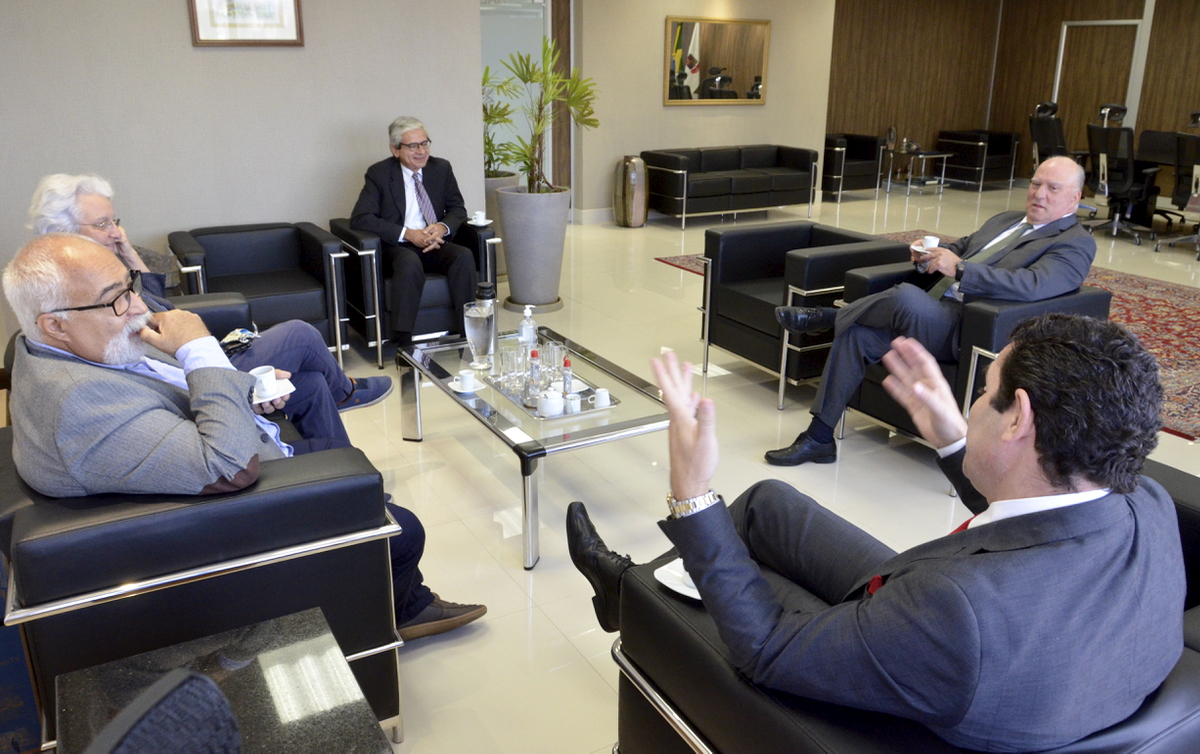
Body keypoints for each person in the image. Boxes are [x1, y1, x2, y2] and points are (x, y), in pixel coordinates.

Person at [567, 314, 1183, 751]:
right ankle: (659, 577)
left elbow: (769, 651)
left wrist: (692, 492)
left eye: (985, 392)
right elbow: (1037, 521)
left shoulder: (954, 617)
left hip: (937, 651)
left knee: (721, 534)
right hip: (983, 630)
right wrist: (955, 440)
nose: (972, 403)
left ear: (1018, 417)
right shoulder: (1142, 501)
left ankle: (629, 593)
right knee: (765, 505)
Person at [3, 234, 485, 641]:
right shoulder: (78, 405)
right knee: (407, 529)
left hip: (236, 446)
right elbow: (227, 467)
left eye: (129, 288)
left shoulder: (64, 349)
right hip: (239, 500)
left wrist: (244, 389)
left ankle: (361, 509)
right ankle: (400, 602)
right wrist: (199, 350)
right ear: (55, 324)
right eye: (116, 299)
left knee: (327, 417)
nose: (136, 308)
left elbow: (163, 400)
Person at [767, 155, 1095, 466]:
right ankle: (819, 438)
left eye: (1053, 188)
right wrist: (932, 255)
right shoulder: (1006, 220)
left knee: (907, 297)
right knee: (858, 334)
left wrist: (963, 270)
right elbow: (961, 248)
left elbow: (1035, 284)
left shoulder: (1075, 242)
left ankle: (827, 317)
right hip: (935, 307)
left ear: (1075, 198)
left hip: (970, 326)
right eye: (1036, 184)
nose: (1039, 194)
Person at [27, 173, 393, 449]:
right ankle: (345, 393)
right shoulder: (79, 295)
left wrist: (123, 249)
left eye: (115, 221)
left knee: (311, 384)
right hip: (189, 374)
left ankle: (349, 484)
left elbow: (159, 300)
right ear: (64, 232)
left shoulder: (108, 273)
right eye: (103, 224)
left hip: (194, 358)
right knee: (299, 333)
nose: (116, 231)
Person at [349, 116, 477, 344]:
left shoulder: (441, 168)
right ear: (395, 150)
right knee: (409, 262)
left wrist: (441, 227)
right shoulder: (379, 173)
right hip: (398, 246)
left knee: (463, 257)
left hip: (434, 242)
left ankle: (468, 335)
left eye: (425, 143)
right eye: (413, 146)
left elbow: (457, 209)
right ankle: (404, 341)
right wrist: (408, 233)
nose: (421, 151)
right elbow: (361, 219)